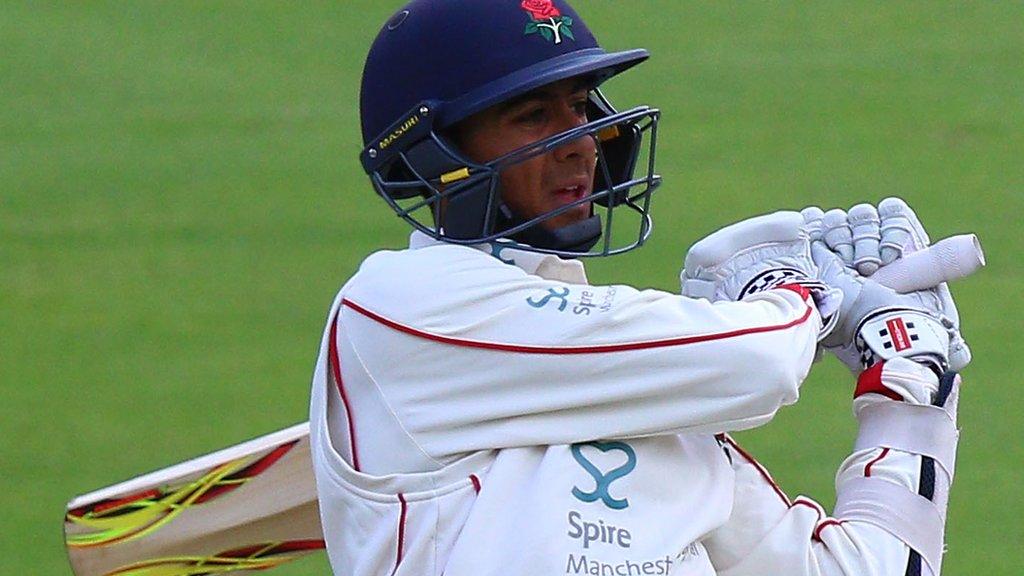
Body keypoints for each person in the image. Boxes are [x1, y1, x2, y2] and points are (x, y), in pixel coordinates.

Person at [308, 1, 968, 574]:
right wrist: (803, 293)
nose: (582, 143)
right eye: (535, 116)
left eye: (582, 106)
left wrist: (911, 381)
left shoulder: (666, 413)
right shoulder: (398, 304)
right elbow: (759, 360)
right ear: (433, 156)